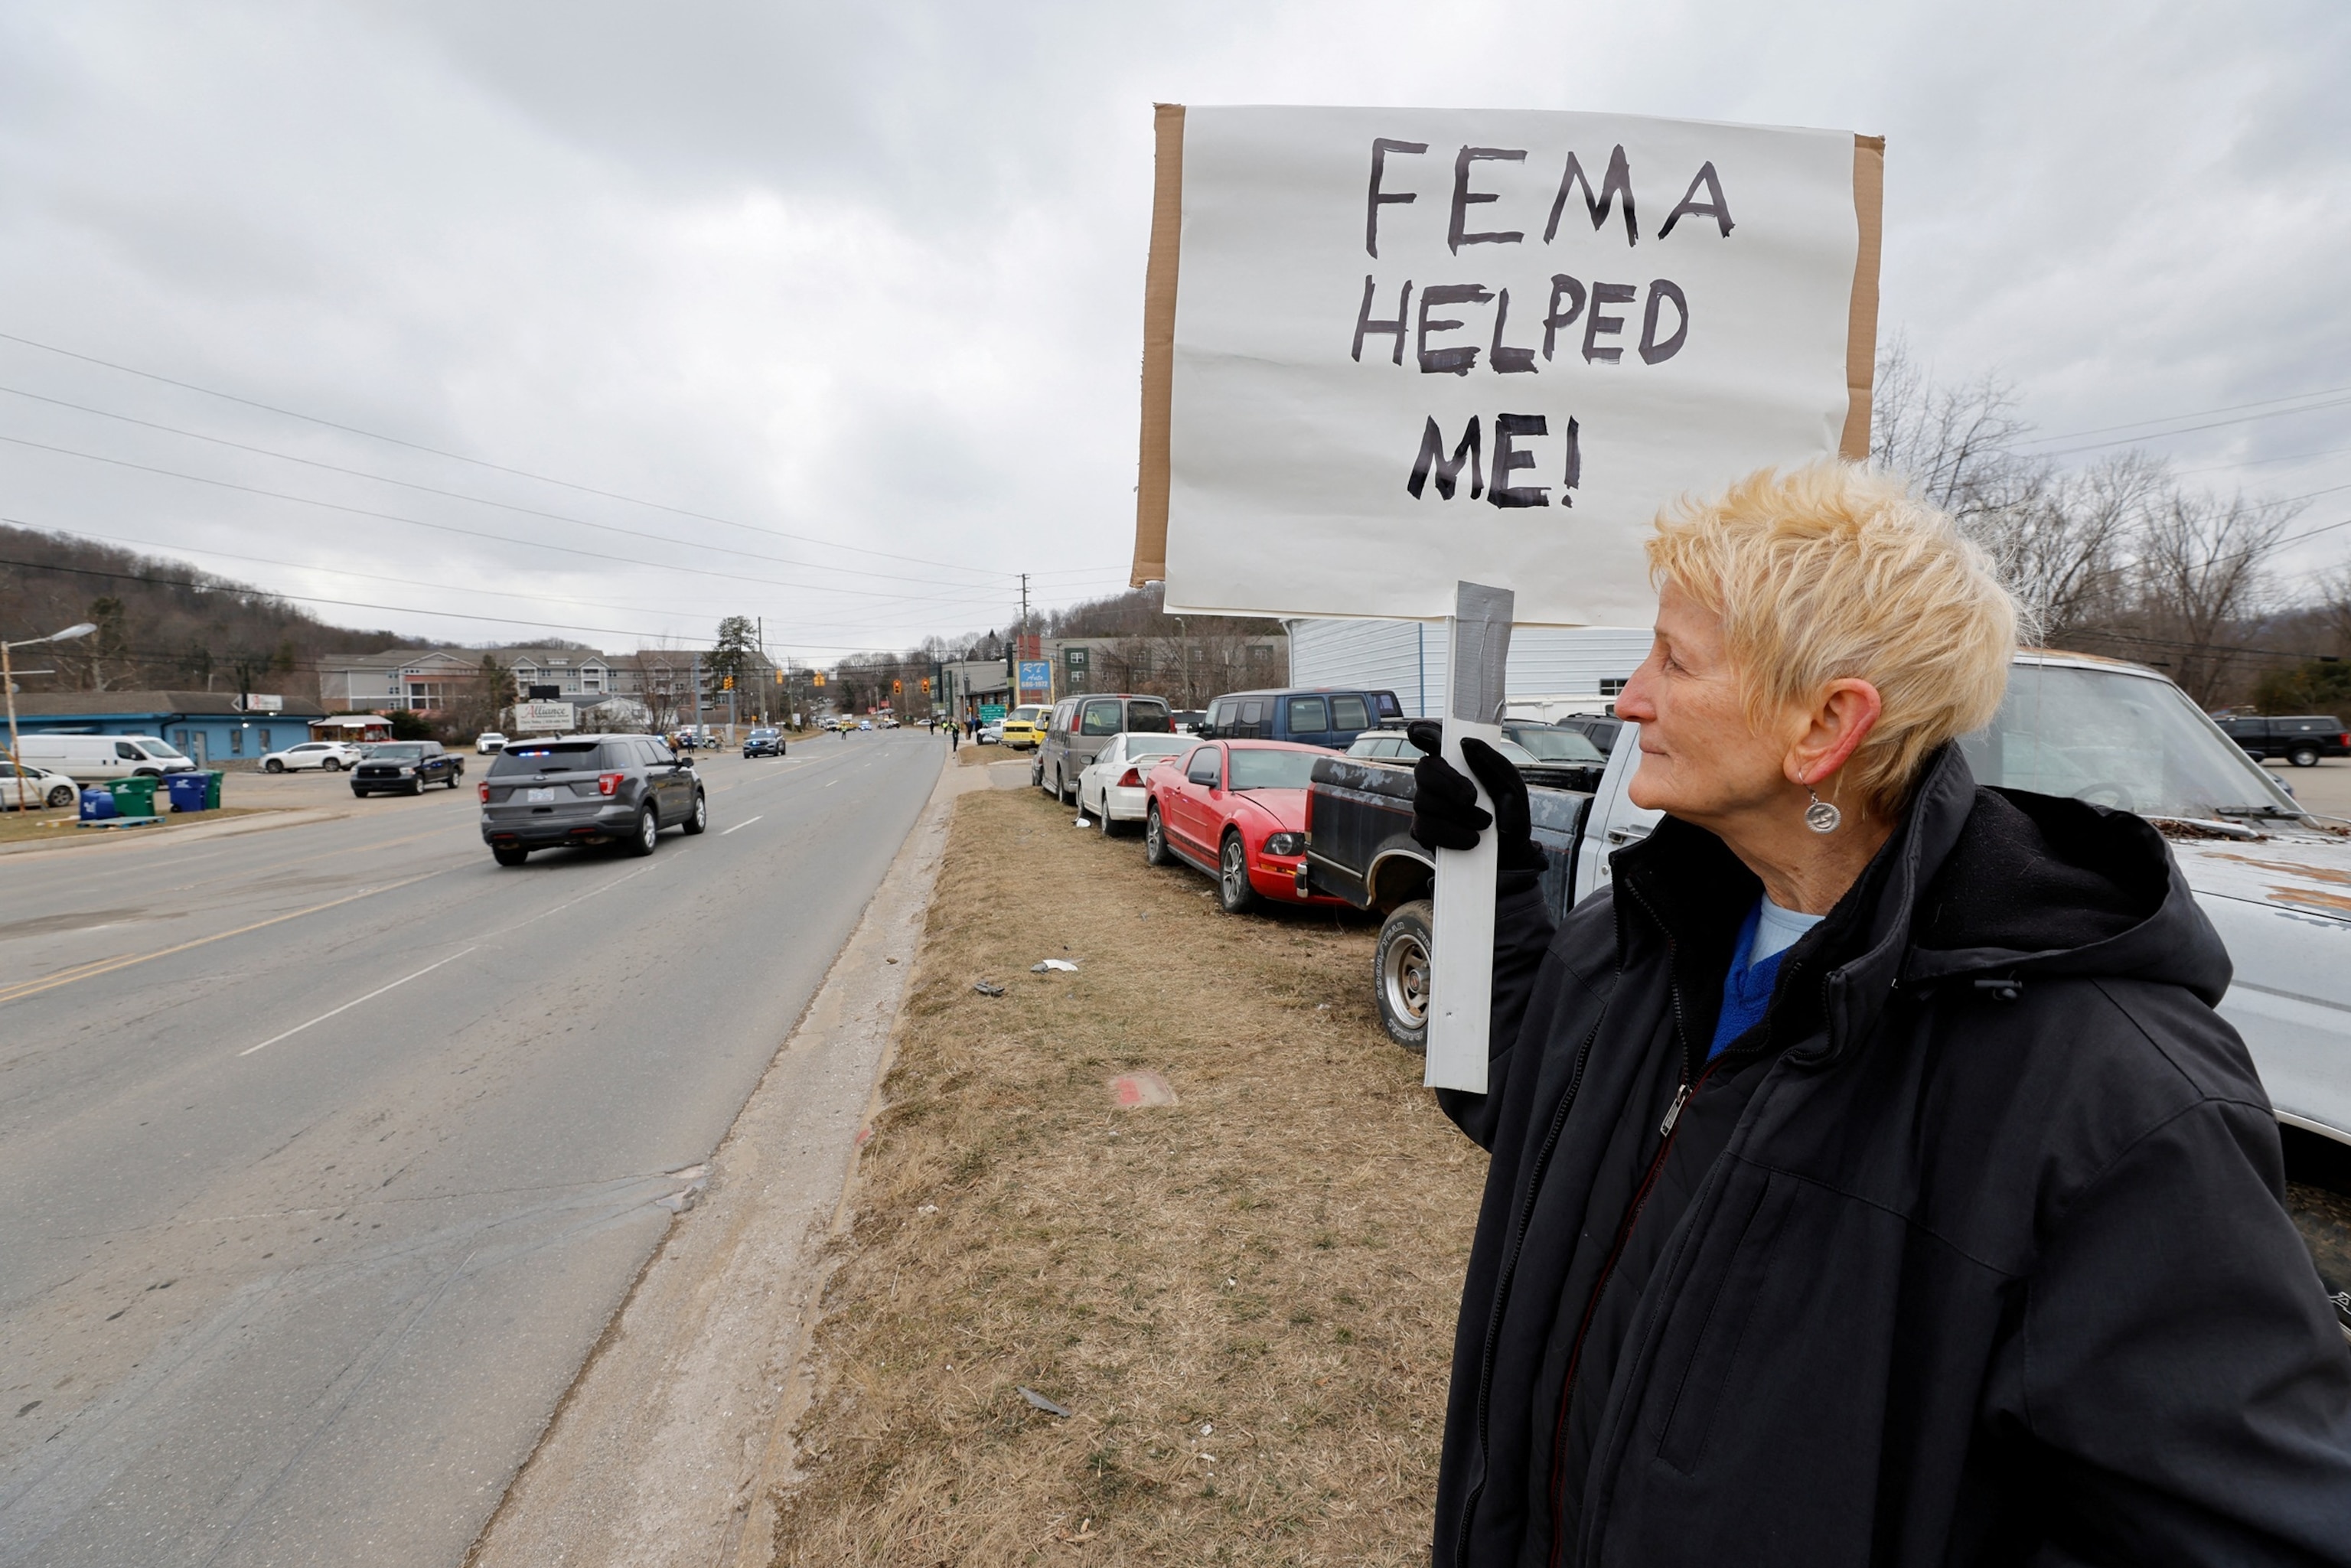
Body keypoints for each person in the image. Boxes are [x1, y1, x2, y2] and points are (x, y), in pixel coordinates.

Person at [1413, 464, 2351, 1566]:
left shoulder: (2111, 1097)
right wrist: (1495, 880)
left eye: (1676, 658)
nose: (1630, 696)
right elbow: (1533, 1103)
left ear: (1825, 725)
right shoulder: (1656, 928)